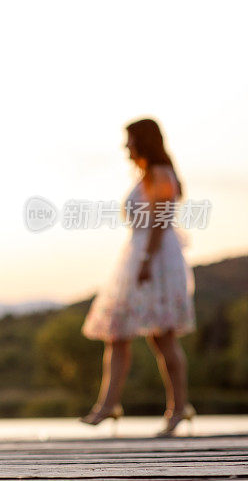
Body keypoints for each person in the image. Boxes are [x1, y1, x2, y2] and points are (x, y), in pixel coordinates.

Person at [81, 118, 196, 437]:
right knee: (117, 334)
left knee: (163, 336)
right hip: (139, 256)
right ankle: (107, 405)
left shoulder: (159, 173)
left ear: (143, 141)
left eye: (129, 139)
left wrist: (146, 260)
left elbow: (161, 221)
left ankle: (178, 407)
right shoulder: (147, 174)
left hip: (154, 259)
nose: (125, 146)